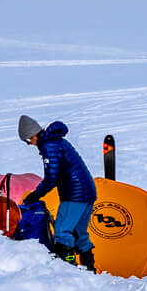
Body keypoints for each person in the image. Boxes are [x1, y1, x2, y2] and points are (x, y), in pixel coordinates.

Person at [19, 114, 98, 269]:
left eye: (28, 140)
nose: (30, 144)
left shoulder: (49, 146)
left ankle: (68, 273)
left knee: (62, 234)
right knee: (80, 235)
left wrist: (35, 195)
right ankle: (90, 271)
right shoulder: (57, 141)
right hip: (87, 192)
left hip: (74, 195)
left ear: (32, 135)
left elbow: (51, 177)